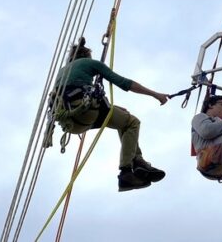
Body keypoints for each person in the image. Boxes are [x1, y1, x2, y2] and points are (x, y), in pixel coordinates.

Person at [52, 37, 169, 192]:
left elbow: (74, 95)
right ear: (87, 56)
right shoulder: (90, 64)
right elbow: (124, 83)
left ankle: (137, 161)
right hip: (86, 113)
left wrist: (115, 108)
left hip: (71, 123)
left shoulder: (62, 72)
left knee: (123, 120)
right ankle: (127, 171)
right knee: (132, 123)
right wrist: (155, 94)